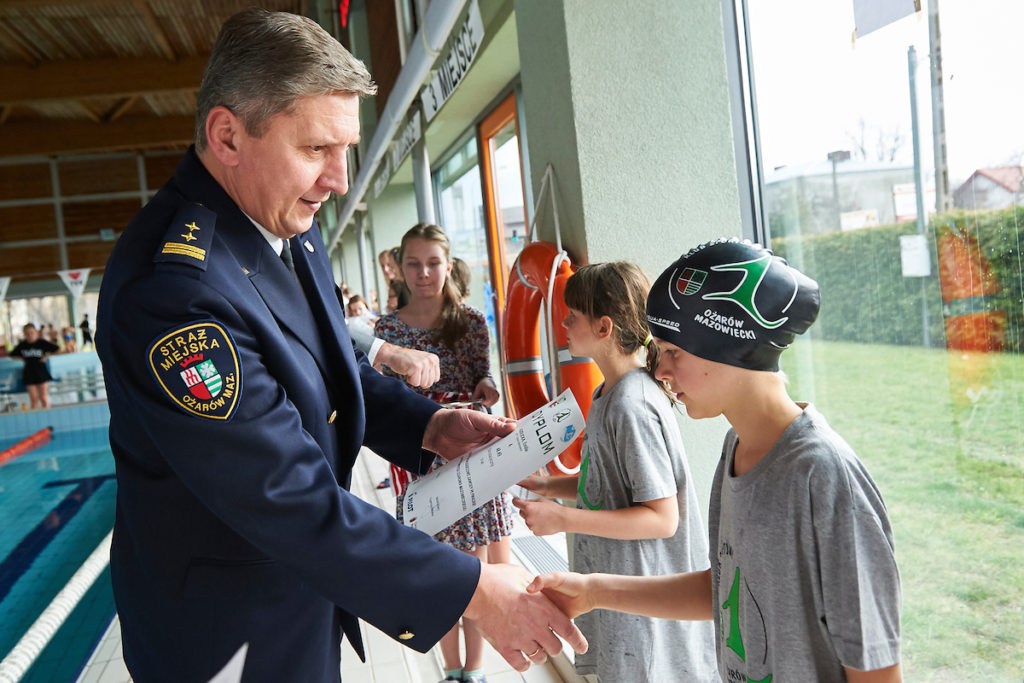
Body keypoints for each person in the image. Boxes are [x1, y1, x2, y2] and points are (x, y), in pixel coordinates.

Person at [94, 10, 586, 683]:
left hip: (300, 590)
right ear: (228, 135)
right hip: (227, 630)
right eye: (317, 149)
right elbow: (283, 494)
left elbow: (328, 367)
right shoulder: (175, 293)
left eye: (346, 149)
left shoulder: (284, 224)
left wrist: (429, 424)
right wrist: (472, 588)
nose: (340, 178)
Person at [528, 239, 903, 682]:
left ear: (731, 346)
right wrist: (594, 591)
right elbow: (723, 589)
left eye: (674, 353)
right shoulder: (736, 450)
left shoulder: (823, 476)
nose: (661, 372)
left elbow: (876, 668)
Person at [512, 262, 718, 683]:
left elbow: (661, 518)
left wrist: (563, 518)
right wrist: (550, 485)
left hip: (647, 616)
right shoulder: (607, 393)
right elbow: (612, 486)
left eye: (573, 314)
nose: (564, 322)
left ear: (604, 327)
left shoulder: (633, 404)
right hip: (623, 602)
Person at [375, 223, 507, 683]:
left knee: (474, 569)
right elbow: (383, 406)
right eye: (414, 263)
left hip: (470, 459)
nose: (424, 273)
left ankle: (474, 671)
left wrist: (485, 387)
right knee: (435, 574)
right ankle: (450, 670)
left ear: (448, 266)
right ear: (400, 267)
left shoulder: (470, 323)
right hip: (417, 465)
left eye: (433, 263)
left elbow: (481, 377)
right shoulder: (387, 332)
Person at [10, 323, 60, 409]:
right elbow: (11, 355)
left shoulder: (41, 343)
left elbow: (57, 350)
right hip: (29, 373)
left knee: (43, 398)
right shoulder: (22, 345)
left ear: (35, 332)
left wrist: (46, 356)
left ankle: (47, 417)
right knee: (34, 399)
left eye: (31, 332)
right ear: (24, 334)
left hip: (41, 372)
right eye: (27, 333)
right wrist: (22, 359)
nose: (29, 335)